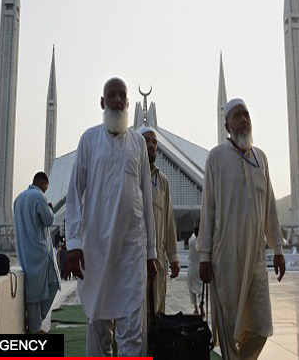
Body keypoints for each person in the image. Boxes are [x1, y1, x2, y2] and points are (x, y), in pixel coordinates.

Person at [64, 77, 157, 357]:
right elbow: (73, 194)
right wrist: (73, 244)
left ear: (128, 103)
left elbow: (146, 198)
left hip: (131, 248)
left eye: (121, 95)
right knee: (98, 321)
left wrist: (151, 252)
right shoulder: (89, 139)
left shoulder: (138, 143)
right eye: (111, 95)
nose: (117, 99)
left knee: (132, 327)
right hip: (97, 248)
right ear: (103, 103)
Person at [198, 99, 286, 360]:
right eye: (237, 115)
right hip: (225, 255)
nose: (243, 119)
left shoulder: (261, 158)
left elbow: (269, 204)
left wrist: (278, 248)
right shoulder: (216, 157)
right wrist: (204, 256)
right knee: (228, 324)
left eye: (246, 114)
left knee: (260, 326)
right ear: (227, 124)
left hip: (256, 256)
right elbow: (208, 208)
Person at [13, 171, 61, 334]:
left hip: (24, 252)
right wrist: (50, 209)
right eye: (46, 188)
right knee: (54, 283)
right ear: (42, 183)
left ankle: (34, 326)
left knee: (33, 292)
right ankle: (35, 327)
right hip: (40, 251)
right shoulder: (39, 196)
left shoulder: (18, 199)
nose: (45, 191)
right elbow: (48, 220)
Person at [140, 126, 179, 316]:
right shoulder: (130, 175)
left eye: (154, 142)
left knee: (156, 311)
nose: (150, 145)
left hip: (158, 260)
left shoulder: (162, 181)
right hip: (135, 257)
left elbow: (168, 221)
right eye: (146, 140)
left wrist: (173, 258)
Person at [187, 226, 203, 315]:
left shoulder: (191, 241)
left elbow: (193, 236)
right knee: (200, 289)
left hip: (191, 267)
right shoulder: (201, 243)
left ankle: (196, 308)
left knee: (191, 288)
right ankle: (201, 304)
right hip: (199, 267)